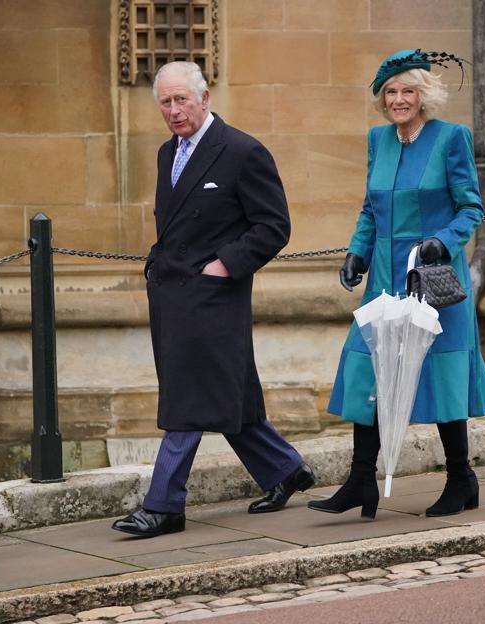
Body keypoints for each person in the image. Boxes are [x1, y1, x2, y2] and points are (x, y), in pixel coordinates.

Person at [113, 62, 314, 538]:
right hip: (173, 295)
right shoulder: (167, 154)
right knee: (226, 392)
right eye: (166, 102)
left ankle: (164, 506)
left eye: (182, 99)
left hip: (213, 296)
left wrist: (224, 264)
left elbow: (274, 226)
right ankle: (286, 470)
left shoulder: (243, 151)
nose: (174, 110)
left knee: (188, 398)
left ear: (205, 98)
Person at [308, 49, 485, 520]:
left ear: (423, 95)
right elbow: (371, 208)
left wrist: (444, 240)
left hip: (435, 282)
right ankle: (359, 481)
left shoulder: (451, 138)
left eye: (407, 91)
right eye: (391, 92)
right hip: (385, 283)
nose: (398, 100)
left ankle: (461, 478)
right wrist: (357, 250)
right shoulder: (379, 140)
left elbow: (471, 208)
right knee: (365, 369)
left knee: (443, 376)